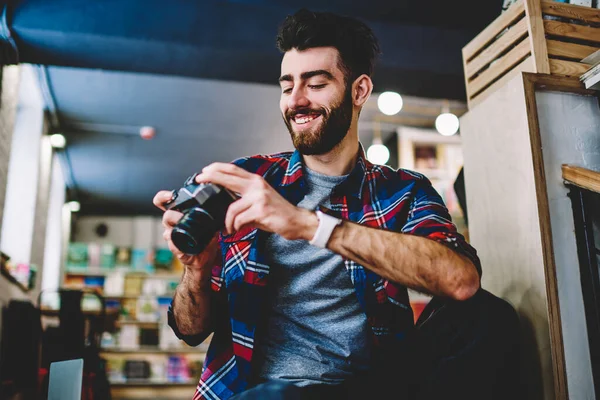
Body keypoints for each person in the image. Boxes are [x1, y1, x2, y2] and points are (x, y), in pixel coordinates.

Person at [153, 9, 520, 400]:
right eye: (287, 85)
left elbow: (461, 281)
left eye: (314, 84)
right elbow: (190, 330)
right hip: (262, 392)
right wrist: (197, 268)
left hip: (370, 388)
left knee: (487, 316)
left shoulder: (404, 191)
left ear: (359, 90)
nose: (296, 101)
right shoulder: (247, 180)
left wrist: (310, 225)